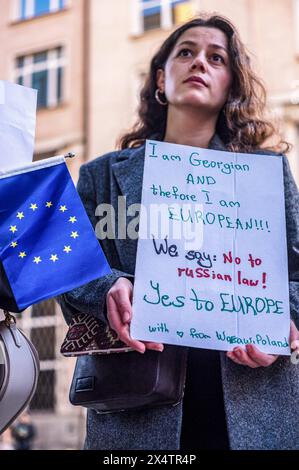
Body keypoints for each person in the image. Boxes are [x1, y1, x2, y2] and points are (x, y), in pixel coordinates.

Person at [58, 14, 299, 450]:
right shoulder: (102, 176)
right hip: (139, 401)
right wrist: (108, 287)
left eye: (216, 57)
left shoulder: (267, 175)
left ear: (231, 84)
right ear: (160, 79)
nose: (199, 63)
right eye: (185, 52)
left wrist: (285, 323)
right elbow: (72, 266)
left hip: (254, 400)